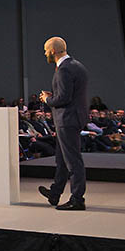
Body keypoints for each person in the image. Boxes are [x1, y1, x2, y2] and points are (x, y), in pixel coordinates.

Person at [39, 37, 89, 210]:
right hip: (74, 117)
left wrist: (47, 99)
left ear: (53, 51)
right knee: (62, 159)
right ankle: (55, 193)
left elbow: (63, 98)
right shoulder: (77, 66)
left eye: (46, 50)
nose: (45, 53)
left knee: (73, 161)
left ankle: (77, 199)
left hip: (67, 119)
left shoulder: (64, 70)